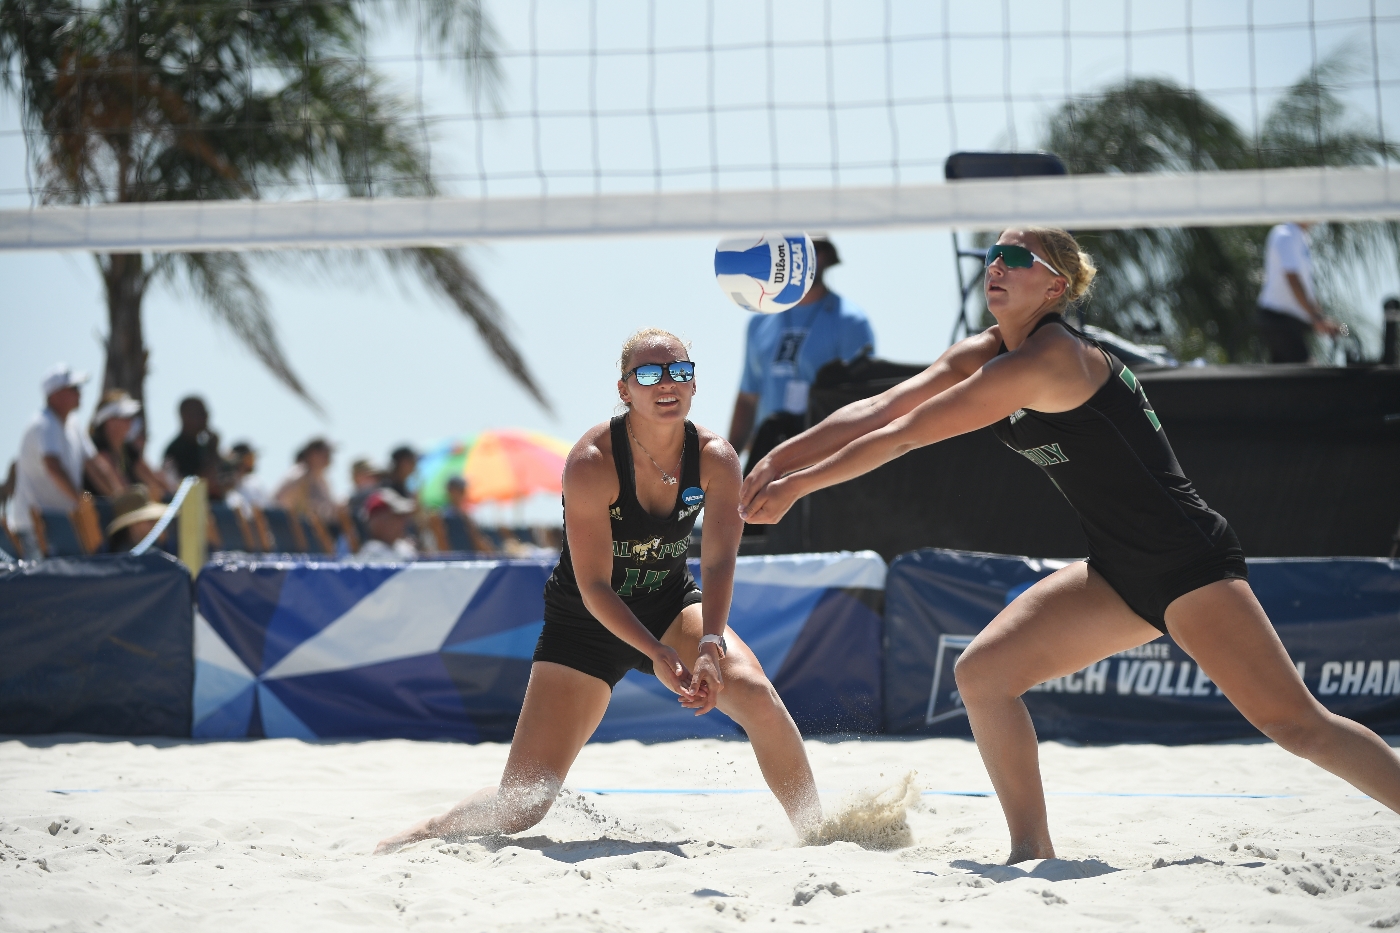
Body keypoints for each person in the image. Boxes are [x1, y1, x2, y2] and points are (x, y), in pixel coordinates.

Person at [740, 228, 1400, 864]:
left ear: (1055, 285)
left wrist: (797, 488)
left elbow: (907, 435)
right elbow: (880, 409)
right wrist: (774, 460)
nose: (993, 263)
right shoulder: (986, 350)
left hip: (1187, 562)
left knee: (1297, 724)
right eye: (992, 253)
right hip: (1116, 569)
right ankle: (1033, 849)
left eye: (1013, 256)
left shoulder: (1050, 359)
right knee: (984, 674)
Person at [375, 328, 822, 854]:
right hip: (584, 622)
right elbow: (592, 584)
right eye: (649, 374)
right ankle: (426, 833)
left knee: (753, 692)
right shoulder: (592, 461)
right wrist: (654, 653)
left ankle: (819, 833)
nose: (667, 384)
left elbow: (720, 558)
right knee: (523, 805)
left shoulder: (716, 457)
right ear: (625, 387)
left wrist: (709, 644)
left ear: (694, 385)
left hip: (669, 603)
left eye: (680, 372)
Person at [727, 236, 875, 474]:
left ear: (825, 256)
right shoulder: (759, 321)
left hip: (824, 468)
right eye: (790, 251)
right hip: (767, 464)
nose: (798, 260)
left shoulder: (851, 322)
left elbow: (866, 407)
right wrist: (727, 467)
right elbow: (747, 398)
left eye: (809, 250)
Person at [10, 365, 123, 557]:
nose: (80, 393)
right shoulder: (43, 424)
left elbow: (95, 465)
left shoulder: (73, 425)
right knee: (42, 584)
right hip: (36, 528)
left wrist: (119, 497)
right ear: (56, 395)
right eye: (73, 388)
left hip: (62, 525)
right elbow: (53, 467)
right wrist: (81, 501)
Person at [1256, 221, 1342, 363]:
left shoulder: (1301, 237)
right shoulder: (1286, 235)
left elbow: (1306, 287)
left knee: (1284, 377)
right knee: (1305, 371)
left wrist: (1321, 318)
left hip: (1291, 322)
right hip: (1278, 319)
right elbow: (1293, 281)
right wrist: (1316, 318)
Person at [87, 390, 169, 498]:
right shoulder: (95, 447)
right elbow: (119, 491)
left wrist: (168, 494)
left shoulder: (129, 450)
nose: (130, 420)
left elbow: (154, 481)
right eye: (124, 416)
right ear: (109, 421)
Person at [274, 438, 337, 523]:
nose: (329, 456)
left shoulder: (322, 479)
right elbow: (278, 503)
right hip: (299, 529)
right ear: (312, 454)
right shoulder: (299, 474)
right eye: (325, 452)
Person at [162, 396, 221, 485]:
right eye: (200, 413)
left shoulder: (203, 446)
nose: (205, 417)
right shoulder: (176, 450)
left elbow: (220, 479)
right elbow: (197, 483)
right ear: (186, 416)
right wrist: (212, 451)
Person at [355, 488, 420, 562]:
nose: (404, 522)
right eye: (397, 516)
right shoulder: (374, 555)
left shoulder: (402, 547)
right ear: (379, 522)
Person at [105, 484, 168, 553]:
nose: (155, 523)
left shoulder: (153, 548)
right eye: (149, 520)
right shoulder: (123, 555)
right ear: (133, 524)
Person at [444, 476, 497, 553]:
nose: (464, 494)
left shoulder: (468, 515)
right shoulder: (445, 517)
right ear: (451, 491)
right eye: (460, 490)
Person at [224, 442, 270, 516]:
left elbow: (267, 509)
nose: (253, 462)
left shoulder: (255, 483)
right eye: (249, 458)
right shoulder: (226, 483)